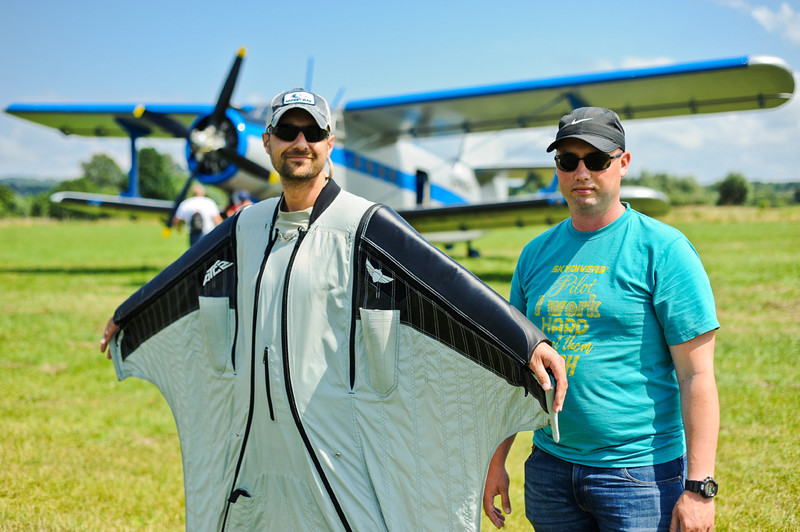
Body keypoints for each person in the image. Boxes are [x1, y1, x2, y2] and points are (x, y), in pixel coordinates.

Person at [99, 88, 567, 530]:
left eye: (313, 133)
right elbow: (183, 275)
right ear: (267, 142)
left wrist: (527, 342)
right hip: (260, 443)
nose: (299, 143)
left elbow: (448, 284)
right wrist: (127, 314)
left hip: (335, 446)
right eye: (287, 132)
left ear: (330, 142)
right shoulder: (246, 225)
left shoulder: (362, 223)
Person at [483, 107, 719, 532]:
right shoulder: (535, 254)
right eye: (567, 161)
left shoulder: (664, 250)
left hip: (639, 475)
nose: (581, 172)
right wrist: (495, 461)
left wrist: (699, 489)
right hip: (551, 467)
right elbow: (514, 369)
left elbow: (696, 376)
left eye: (596, 160)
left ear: (623, 163)